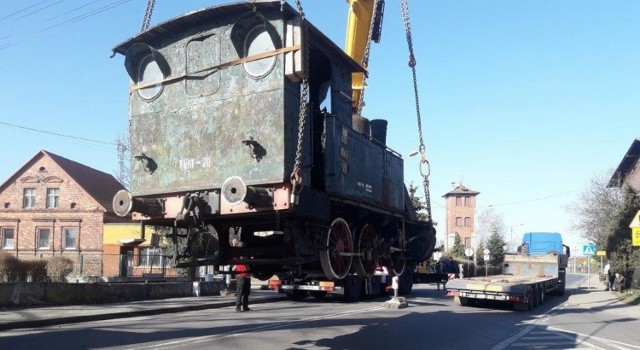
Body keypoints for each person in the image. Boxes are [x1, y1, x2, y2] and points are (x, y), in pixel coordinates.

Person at [231, 239, 252, 312]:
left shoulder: (246, 256)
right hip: (240, 276)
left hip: (247, 276)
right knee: (240, 292)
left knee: (247, 292)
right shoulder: (238, 255)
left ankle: (245, 307)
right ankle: (238, 307)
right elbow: (233, 251)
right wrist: (234, 244)